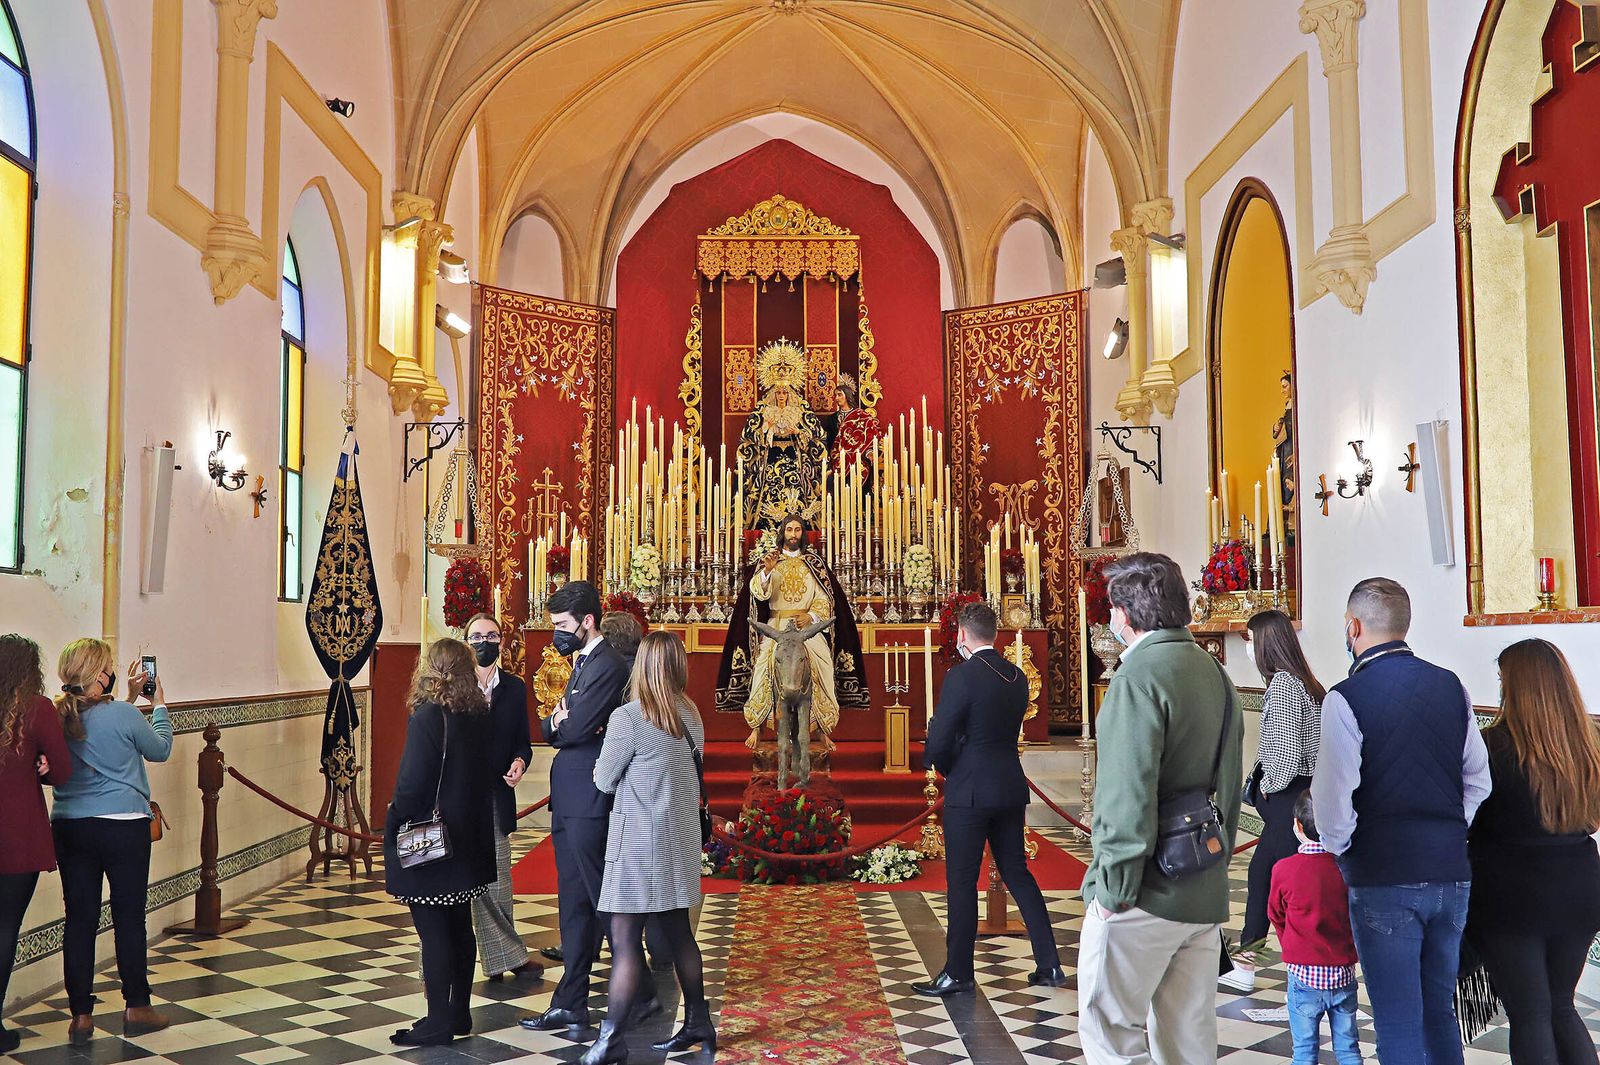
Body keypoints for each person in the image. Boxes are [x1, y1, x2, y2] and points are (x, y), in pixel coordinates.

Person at [1311, 577, 1491, 1065]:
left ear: (1353, 626)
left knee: (1398, 1021)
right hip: (1450, 871)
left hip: (1383, 875)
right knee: (1439, 1013)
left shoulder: (1345, 698)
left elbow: (1332, 801)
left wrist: (1345, 851)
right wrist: (1447, 828)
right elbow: (1478, 779)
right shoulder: (1450, 685)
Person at [1079, 552, 1243, 1065]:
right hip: (1203, 886)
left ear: (1125, 615)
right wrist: (1217, 859)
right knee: (1189, 1045)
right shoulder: (1214, 671)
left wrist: (1113, 888)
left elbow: (1125, 793)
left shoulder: (1137, 677)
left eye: (1111, 609)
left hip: (1143, 892)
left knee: (1111, 1039)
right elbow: (1230, 782)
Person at [911, 601, 1064, 997]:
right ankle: (1049, 963)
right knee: (1018, 873)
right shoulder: (1017, 675)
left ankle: (958, 972)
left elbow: (940, 737)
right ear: (994, 634)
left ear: (962, 634)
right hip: (1010, 784)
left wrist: (947, 767)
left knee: (962, 881)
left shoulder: (962, 677)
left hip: (970, 791)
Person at [579, 631, 714, 1064]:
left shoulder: (629, 718)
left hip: (638, 844)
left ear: (642, 666)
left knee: (623, 941)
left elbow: (603, 779)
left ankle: (610, 1039)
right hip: (679, 839)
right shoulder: (690, 713)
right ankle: (698, 1022)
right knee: (680, 934)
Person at [1466, 638, 1600, 1064]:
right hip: (1580, 888)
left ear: (1516, 687)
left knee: (1530, 1014)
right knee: (1561, 1005)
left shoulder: (1492, 746)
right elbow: (1592, 820)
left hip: (1512, 894)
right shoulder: (1589, 742)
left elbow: (1467, 819)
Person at [522, 580, 632, 1033]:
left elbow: (577, 728)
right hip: (570, 795)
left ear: (588, 621)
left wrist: (561, 723)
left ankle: (639, 993)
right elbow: (551, 725)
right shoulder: (583, 661)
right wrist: (558, 721)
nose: (557, 634)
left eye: (563, 625)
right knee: (574, 902)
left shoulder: (607, 663)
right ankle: (571, 1001)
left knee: (601, 900)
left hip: (589, 796)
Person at [51, 639, 173, 1046]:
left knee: (79, 920)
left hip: (71, 827)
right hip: (123, 826)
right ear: (101, 676)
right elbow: (159, 749)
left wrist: (129, 698)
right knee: (128, 915)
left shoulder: (58, 715)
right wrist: (158, 704)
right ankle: (137, 1006)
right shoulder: (123, 714)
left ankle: (80, 1016)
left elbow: (93, 729)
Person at [382, 638, 496, 1047]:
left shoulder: (430, 716)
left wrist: (394, 816)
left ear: (427, 670)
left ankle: (437, 1021)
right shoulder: (478, 714)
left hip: (434, 842)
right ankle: (459, 1011)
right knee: (460, 927)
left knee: (433, 932)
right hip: (470, 838)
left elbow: (412, 785)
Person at [1221, 607, 1324, 993]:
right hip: (1305, 791)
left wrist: (1269, 783)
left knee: (1272, 881)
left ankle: (1265, 966)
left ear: (1266, 643)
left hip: (1286, 795)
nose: (1248, 648)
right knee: (1270, 876)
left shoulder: (1282, 684)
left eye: (1250, 640)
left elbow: (1286, 749)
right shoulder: (1306, 682)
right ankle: (1251, 963)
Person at [0, 634, 70, 1053]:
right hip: (17, 836)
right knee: (5, 926)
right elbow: (61, 771)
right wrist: (41, 767)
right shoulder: (36, 708)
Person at [462, 614, 542, 983]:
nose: (484, 642)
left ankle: (505, 958)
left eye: (491, 635)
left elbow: (523, 740)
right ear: (466, 643)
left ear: (501, 641)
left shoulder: (513, 687)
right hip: (461, 797)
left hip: (496, 795)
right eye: (477, 636)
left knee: (498, 880)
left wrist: (520, 762)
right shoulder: (456, 686)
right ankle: (452, 961)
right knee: (458, 882)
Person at [1268, 791, 1362, 1065]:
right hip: (1343, 973)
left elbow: (1275, 914)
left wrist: (1292, 943)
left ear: (1298, 825)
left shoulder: (1284, 869)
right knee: (1348, 1050)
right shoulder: (1347, 868)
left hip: (1303, 975)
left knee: (1304, 1052)